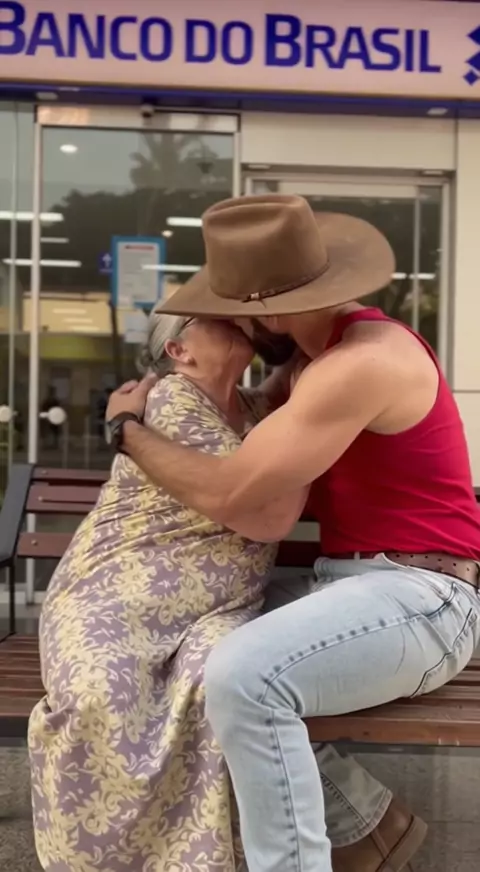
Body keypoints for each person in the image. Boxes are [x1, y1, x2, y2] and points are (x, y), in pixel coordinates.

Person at [105, 194, 480, 872]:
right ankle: (365, 824)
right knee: (184, 640)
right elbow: (240, 422)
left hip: (422, 598)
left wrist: (125, 430)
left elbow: (235, 493)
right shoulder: (310, 365)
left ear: (270, 312)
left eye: (234, 315)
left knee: (245, 677)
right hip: (347, 585)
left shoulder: (361, 362)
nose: (238, 332)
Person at [29, 313, 307, 872]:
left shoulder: (251, 406)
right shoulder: (169, 400)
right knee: (97, 693)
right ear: (179, 350)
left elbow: (297, 367)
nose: (233, 321)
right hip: (115, 592)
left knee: (215, 681)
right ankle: (97, 859)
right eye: (213, 319)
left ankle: (193, 860)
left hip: (217, 607)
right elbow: (257, 505)